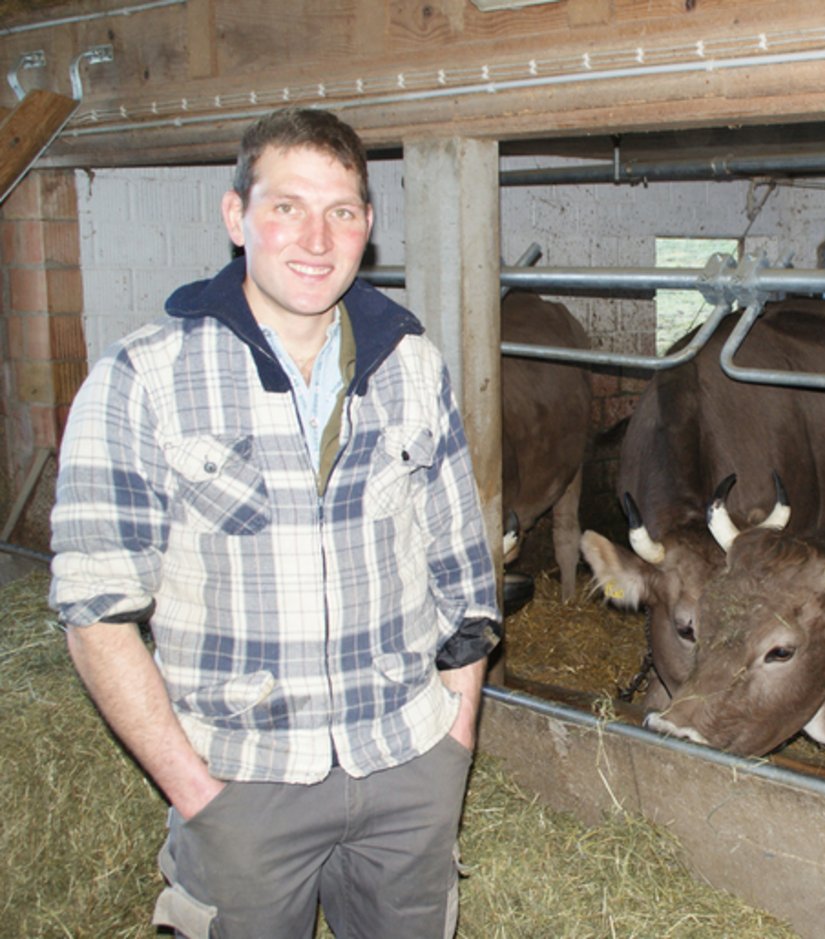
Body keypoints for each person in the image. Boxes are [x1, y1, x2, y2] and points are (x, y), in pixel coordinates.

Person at [48, 107, 500, 938]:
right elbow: (95, 611)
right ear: (236, 216)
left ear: (368, 226)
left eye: (343, 211)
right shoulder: (143, 377)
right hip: (241, 780)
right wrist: (197, 792)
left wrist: (453, 739)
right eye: (287, 206)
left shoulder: (414, 366)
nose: (317, 239)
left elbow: (464, 576)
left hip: (407, 765)